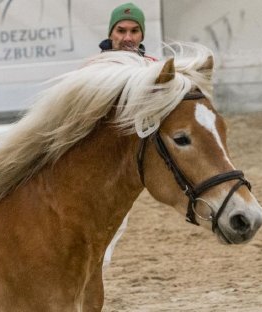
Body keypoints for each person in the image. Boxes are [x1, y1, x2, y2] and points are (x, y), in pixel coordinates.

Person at [100, 2, 156, 268]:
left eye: (134, 31)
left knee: (116, 222)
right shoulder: (94, 69)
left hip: (131, 164)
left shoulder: (153, 69)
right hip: (97, 163)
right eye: (121, 30)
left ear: (142, 35)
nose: (127, 38)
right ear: (111, 33)